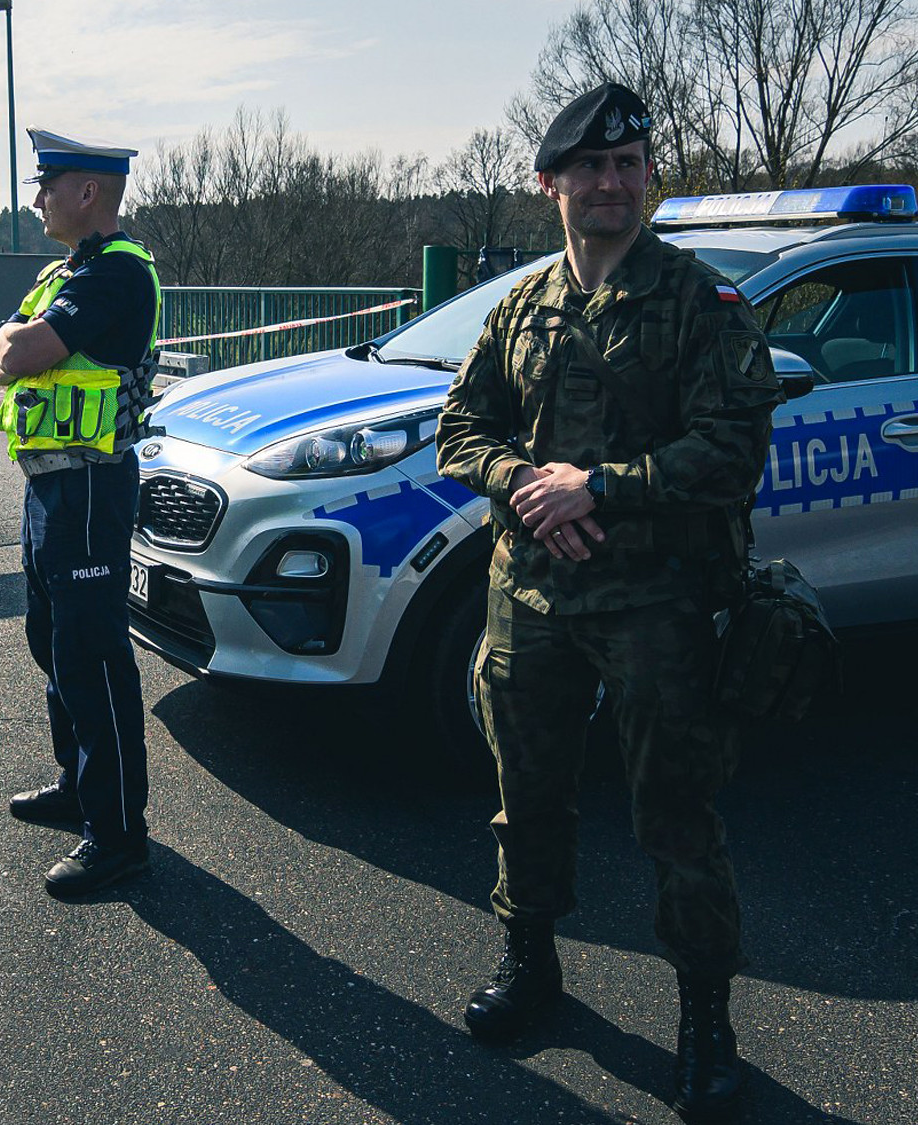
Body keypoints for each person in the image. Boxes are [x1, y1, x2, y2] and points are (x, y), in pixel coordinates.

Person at [435, 83, 781, 1122]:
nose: (611, 184)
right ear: (550, 183)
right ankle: (530, 960)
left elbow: (732, 449)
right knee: (525, 796)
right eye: (590, 168)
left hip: (655, 607)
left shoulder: (698, 302)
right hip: (529, 597)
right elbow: (459, 427)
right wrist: (526, 488)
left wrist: (598, 489)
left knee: (674, 814)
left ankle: (703, 1015)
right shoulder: (520, 302)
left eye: (628, 166)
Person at [0, 129, 160, 898]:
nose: (36, 199)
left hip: (90, 490)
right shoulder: (69, 272)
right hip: (50, 486)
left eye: (46, 186)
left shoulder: (115, 273)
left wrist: (10, 346)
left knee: (91, 655)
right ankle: (76, 781)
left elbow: (15, 354)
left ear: (87, 192)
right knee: (50, 642)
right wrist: (9, 344)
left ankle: (118, 833)